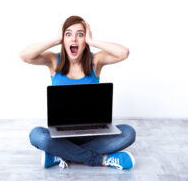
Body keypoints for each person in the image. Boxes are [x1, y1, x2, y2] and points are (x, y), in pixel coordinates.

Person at [20, 15, 136, 170]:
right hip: (61, 134)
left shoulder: (96, 61)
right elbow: (24, 56)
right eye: (68, 34)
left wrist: (92, 41)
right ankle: (100, 160)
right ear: (63, 39)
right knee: (37, 135)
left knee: (129, 132)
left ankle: (61, 154)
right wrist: (56, 40)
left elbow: (124, 52)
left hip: (92, 134)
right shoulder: (54, 61)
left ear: (85, 40)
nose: (74, 39)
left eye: (80, 34)